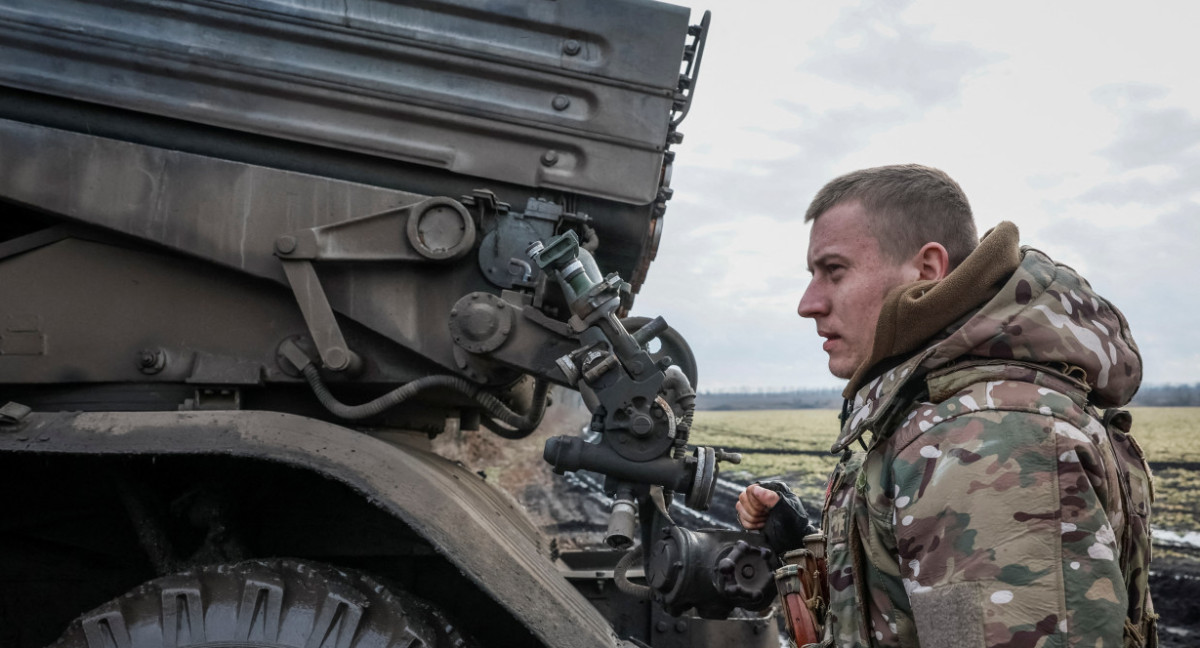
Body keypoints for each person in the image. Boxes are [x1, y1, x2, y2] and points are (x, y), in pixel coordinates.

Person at [736, 164, 1156, 647]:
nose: (808, 303)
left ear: (928, 270)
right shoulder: (940, 414)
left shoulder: (988, 437)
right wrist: (809, 544)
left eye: (834, 271)